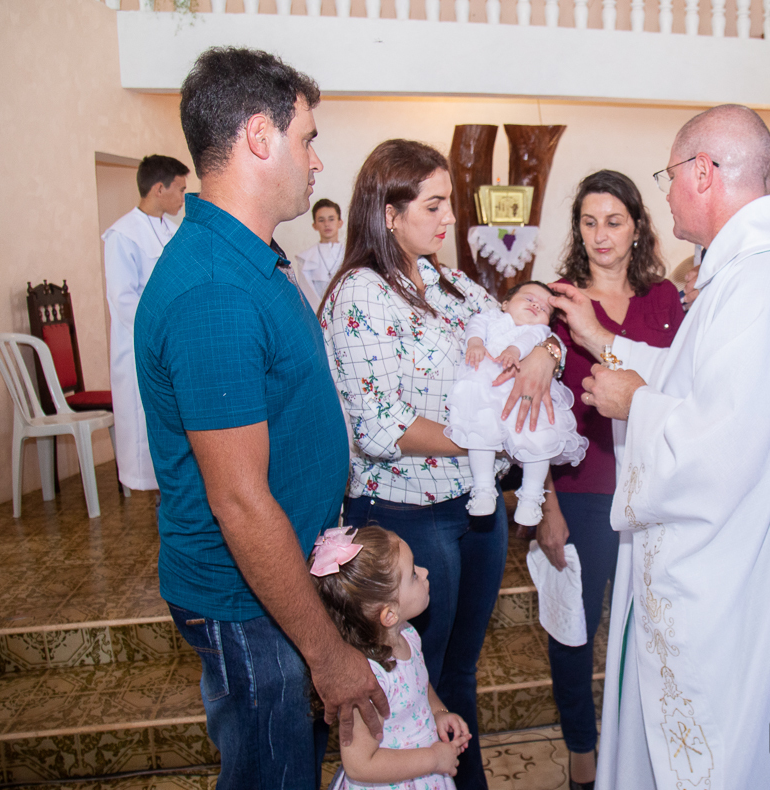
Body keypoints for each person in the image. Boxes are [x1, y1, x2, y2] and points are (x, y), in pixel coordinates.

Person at [551, 105, 770, 789]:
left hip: (742, 573)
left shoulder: (760, 283)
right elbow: (703, 378)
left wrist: (631, 403)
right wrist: (604, 342)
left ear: (702, 171)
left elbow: (721, 444)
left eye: (670, 174)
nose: (667, 191)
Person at [134, 47, 388, 790]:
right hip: (248, 604)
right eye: (307, 137)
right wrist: (328, 653)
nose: (315, 162)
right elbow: (240, 502)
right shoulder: (212, 289)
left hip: (277, 585)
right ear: (257, 136)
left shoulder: (251, 258)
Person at [321, 138, 564, 790]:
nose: (447, 218)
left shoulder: (454, 283)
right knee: (413, 675)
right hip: (407, 511)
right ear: (389, 212)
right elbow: (382, 428)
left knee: (457, 672)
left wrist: (548, 357)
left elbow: (525, 326)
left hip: (473, 507)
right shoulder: (360, 295)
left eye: (447, 204)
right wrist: (488, 438)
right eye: (434, 205)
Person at [533, 170, 684, 790]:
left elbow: (677, 388)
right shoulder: (559, 300)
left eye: (613, 221)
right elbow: (532, 411)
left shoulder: (664, 302)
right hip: (583, 489)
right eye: (589, 222)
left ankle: (645, 747)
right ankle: (582, 753)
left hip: (655, 487)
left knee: (652, 625)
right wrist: (542, 503)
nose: (601, 235)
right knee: (575, 625)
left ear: (637, 227)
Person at [310, 525, 472, 789]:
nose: (425, 572)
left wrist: (439, 712)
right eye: (413, 575)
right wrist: (433, 758)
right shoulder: (367, 681)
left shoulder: (407, 634)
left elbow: (420, 685)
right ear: (389, 614)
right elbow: (360, 764)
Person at [445, 280, 587, 527]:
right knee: (479, 432)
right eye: (529, 298)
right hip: (487, 385)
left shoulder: (540, 332)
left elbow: (529, 339)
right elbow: (475, 325)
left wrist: (513, 350)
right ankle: (483, 488)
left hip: (527, 393)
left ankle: (532, 497)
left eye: (543, 308)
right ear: (506, 303)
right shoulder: (491, 317)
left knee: (540, 438)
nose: (535, 306)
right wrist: (475, 343)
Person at [102, 154, 188, 493]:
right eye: (180, 190)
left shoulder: (174, 229)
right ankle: (151, 489)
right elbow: (122, 298)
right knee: (144, 419)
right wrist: (160, 332)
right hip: (143, 343)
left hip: (175, 340)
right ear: (158, 188)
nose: (184, 197)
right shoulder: (122, 234)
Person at [294, 197, 345, 314]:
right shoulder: (305, 258)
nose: (327, 224)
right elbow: (307, 294)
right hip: (318, 314)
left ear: (340, 223)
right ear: (314, 225)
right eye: (321, 220)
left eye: (331, 219)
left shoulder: (350, 254)